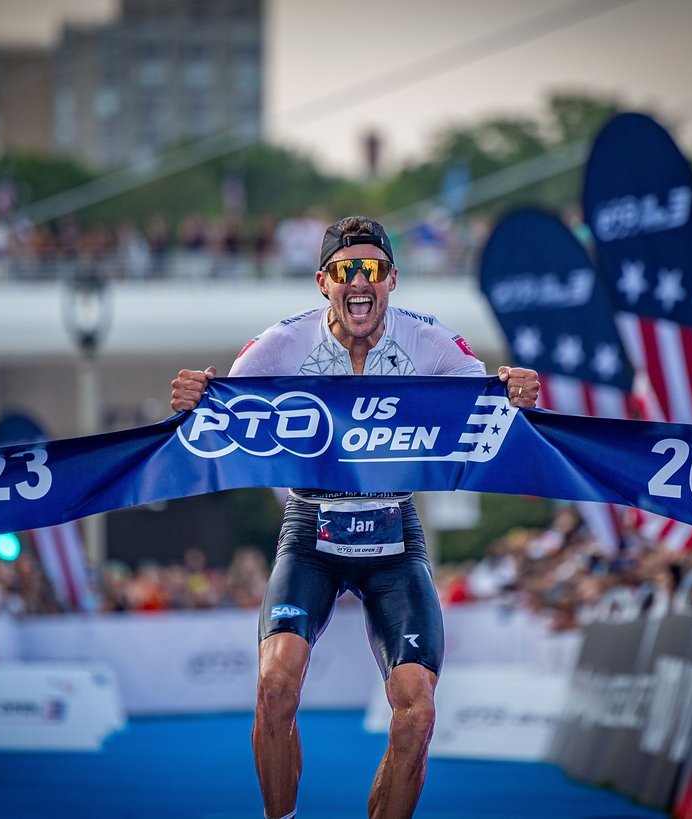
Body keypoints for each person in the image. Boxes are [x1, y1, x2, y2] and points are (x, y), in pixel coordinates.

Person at [170, 215, 539, 819]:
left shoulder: (428, 341)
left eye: (373, 270)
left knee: (416, 708)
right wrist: (194, 398)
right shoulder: (283, 343)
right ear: (323, 281)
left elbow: (488, 406)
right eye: (347, 271)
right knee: (275, 685)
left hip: (393, 534)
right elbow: (222, 416)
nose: (360, 282)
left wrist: (512, 389)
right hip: (311, 530)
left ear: (392, 281)